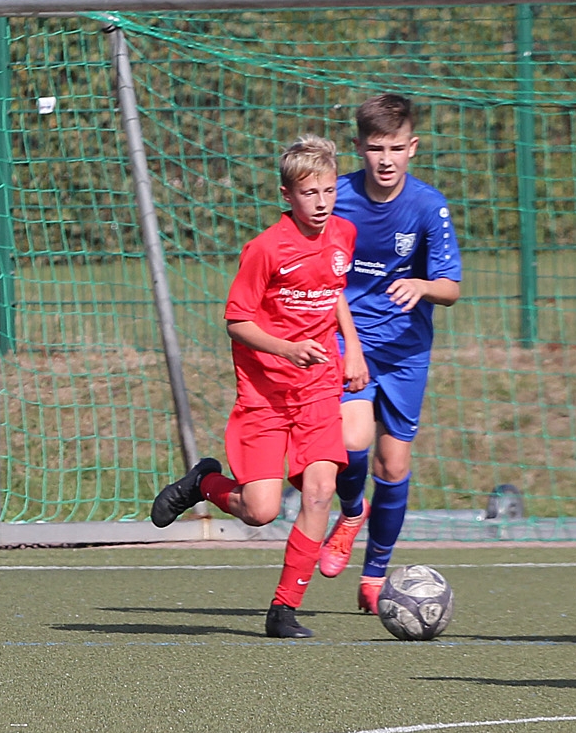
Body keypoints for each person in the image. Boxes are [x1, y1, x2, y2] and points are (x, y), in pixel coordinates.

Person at [150, 135, 367, 639]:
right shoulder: (266, 249)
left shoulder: (344, 234)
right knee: (260, 511)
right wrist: (286, 348)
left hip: (318, 387)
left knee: (321, 491)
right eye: (309, 193)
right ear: (287, 195)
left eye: (329, 191)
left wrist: (352, 347)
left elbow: (332, 292)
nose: (321, 203)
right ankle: (204, 483)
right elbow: (236, 321)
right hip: (265, 394)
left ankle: (284, 608)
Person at [316, 94, 462, 614]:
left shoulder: (428, 206)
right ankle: (351, 511)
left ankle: (376, 573)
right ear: (359, 147)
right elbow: (320, 270)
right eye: (376, 148)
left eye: (396, 148)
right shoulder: (338, 198)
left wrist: (422, 286)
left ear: (412, 148)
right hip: (347, 338)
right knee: (351, 441)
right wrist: (349, 344)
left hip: (406, 349)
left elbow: (451, 288)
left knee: (394, 465)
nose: (385, 159)